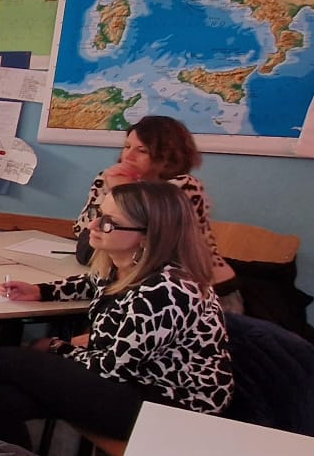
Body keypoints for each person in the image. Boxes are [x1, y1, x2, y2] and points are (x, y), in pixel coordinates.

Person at [0, 181, 235, 448]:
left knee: (0, 359)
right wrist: (40, 291)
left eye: (108, 223)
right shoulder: (124, 265)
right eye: (98, 215)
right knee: (2, 397)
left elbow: (113, 368)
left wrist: (58, 348)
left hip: (169, 406)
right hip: (131, 383)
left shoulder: (165, 290)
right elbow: (91, 283)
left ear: (147, 235)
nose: (92, 225)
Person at [73, 116, 239, 310]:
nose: (128, 156)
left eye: (142, 150)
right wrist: (111, 191)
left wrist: (121, 193)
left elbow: (153, 246)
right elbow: (84, 237)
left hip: (198, 293)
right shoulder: (110, 179)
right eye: (127, 147)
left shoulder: (183, 187)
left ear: (168, 157)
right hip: (138, 286)